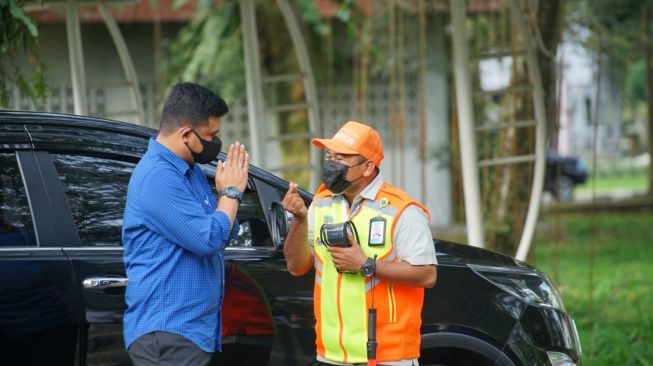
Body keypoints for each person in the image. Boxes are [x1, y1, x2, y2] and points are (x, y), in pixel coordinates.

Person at [282, 121, 437, 366]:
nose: (331, 163)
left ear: (367, 167)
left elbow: (427, 275)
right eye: (329, 155)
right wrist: (300, 220)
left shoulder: (402, 210)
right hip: (330, 354)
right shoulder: (321, 203)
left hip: (388, 357)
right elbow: (296, 267)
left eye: (341, 158)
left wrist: (366, 264)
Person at [122, 82, 249, 366]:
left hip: (189, 334)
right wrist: (230, 193)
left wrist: (225, 201)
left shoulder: (187, 170)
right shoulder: (157, 177)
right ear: (187, 134)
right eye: (210, 136)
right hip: (167, 335)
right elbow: (208, 240)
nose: (215, 144)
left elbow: (224, 231)